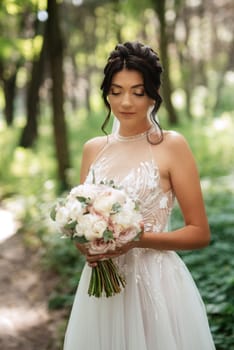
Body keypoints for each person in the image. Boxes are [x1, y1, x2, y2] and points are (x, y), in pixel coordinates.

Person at [63, 41, 215, 350]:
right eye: (116, 91)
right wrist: (88, 246)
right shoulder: (93, 149)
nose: (126, 102)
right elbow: (82, 225)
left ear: (154, 94)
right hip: (101, 292)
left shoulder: (172, 146)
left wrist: (136, 239)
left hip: (157, 285)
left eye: (138, 91)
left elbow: (199, 233)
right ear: (106, 92)